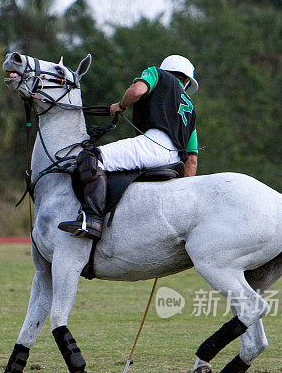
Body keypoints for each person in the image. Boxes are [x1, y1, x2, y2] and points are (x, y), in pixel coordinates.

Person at [58, 55, 200, 240]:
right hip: (174, 160)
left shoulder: (157, 74)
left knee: (92, 157)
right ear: (187, 81)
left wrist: (120, 105)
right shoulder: (191, 109)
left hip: (154, 145)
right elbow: (192, 159)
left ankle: (92, 219)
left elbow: (136, 91)